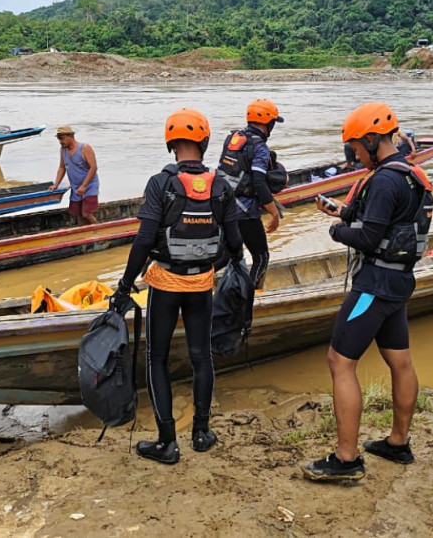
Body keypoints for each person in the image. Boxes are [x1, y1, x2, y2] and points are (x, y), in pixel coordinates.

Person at [303, 102, 433, 483]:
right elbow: (386, 221)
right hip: (399, 283)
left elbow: (369, 237)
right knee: (400, 361)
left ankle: (346, 459)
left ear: (373, 140)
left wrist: (336, 232)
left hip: (373, 286)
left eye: (357, 147)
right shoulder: (409, 175)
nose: (355, 155)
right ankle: (398, 443)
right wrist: (342, 212)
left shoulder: (383, 181)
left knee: (340, 362)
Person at [111, 108, 244, 464]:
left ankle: (167, 442)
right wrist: (224, 263)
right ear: (205, 142)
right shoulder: (220, 186)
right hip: (201, 285)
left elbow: (143, 241)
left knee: (157, 358)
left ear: (171, 144)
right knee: (202, 356)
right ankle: (201, 432)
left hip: (165, 285)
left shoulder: (160, 184)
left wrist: (124, 286)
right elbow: (235, 243)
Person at [217, 99, 283, 289]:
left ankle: (192, 283)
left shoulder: (233, 138)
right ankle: (252, 297)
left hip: (223, 206)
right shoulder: (259, 147)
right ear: (268, 123)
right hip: (245, 212)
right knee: (261, 257)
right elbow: (258, 182)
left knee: (226, 255)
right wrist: (274, 213)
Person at [54, 125, 99, 225]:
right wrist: (56, 184)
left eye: (62, 138)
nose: (61, 141)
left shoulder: (84, 148)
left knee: (86, 213)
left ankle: (99, 230)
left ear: (70, 136)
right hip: (75, 187)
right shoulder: (63, 150)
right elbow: (62, 167)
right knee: (79, 215)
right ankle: (84, 233)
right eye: (59, 139)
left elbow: (93, 167)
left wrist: (84, 186)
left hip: (89, 186)